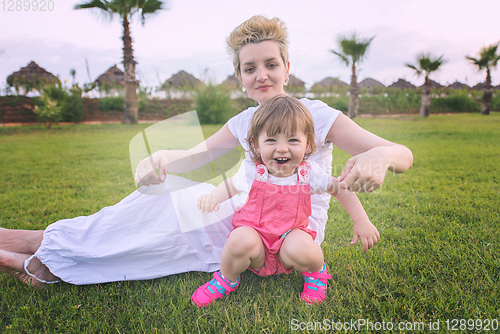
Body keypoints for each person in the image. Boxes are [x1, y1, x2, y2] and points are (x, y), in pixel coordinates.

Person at [0, 15, 412, 288]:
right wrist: (162, 157)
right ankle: (43, 242)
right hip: (244, 212)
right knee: (155, 200)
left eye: (270, 64)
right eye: (250, 68)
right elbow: (198, 156)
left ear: (287, 66)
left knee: (165, 223)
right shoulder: (242, 121)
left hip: (290, 232)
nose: (261, 75)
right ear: (239, 77)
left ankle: (44, 260)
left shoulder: (317, 115)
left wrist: (382, 156)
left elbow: (402, 153)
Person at [191, 95, 379, 307]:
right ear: (256, 144)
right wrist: (214, 196)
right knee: (238, 238)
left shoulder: (309, 174)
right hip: (256, 245)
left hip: (289, 243)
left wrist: (361, 220)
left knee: (304, 248)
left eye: (292, 140)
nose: (281, 148)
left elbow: (340, 189)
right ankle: (226, 279)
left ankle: (316, 274)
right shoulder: (252, 171)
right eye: (271, 140)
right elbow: (232, 185)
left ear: (308, 145)